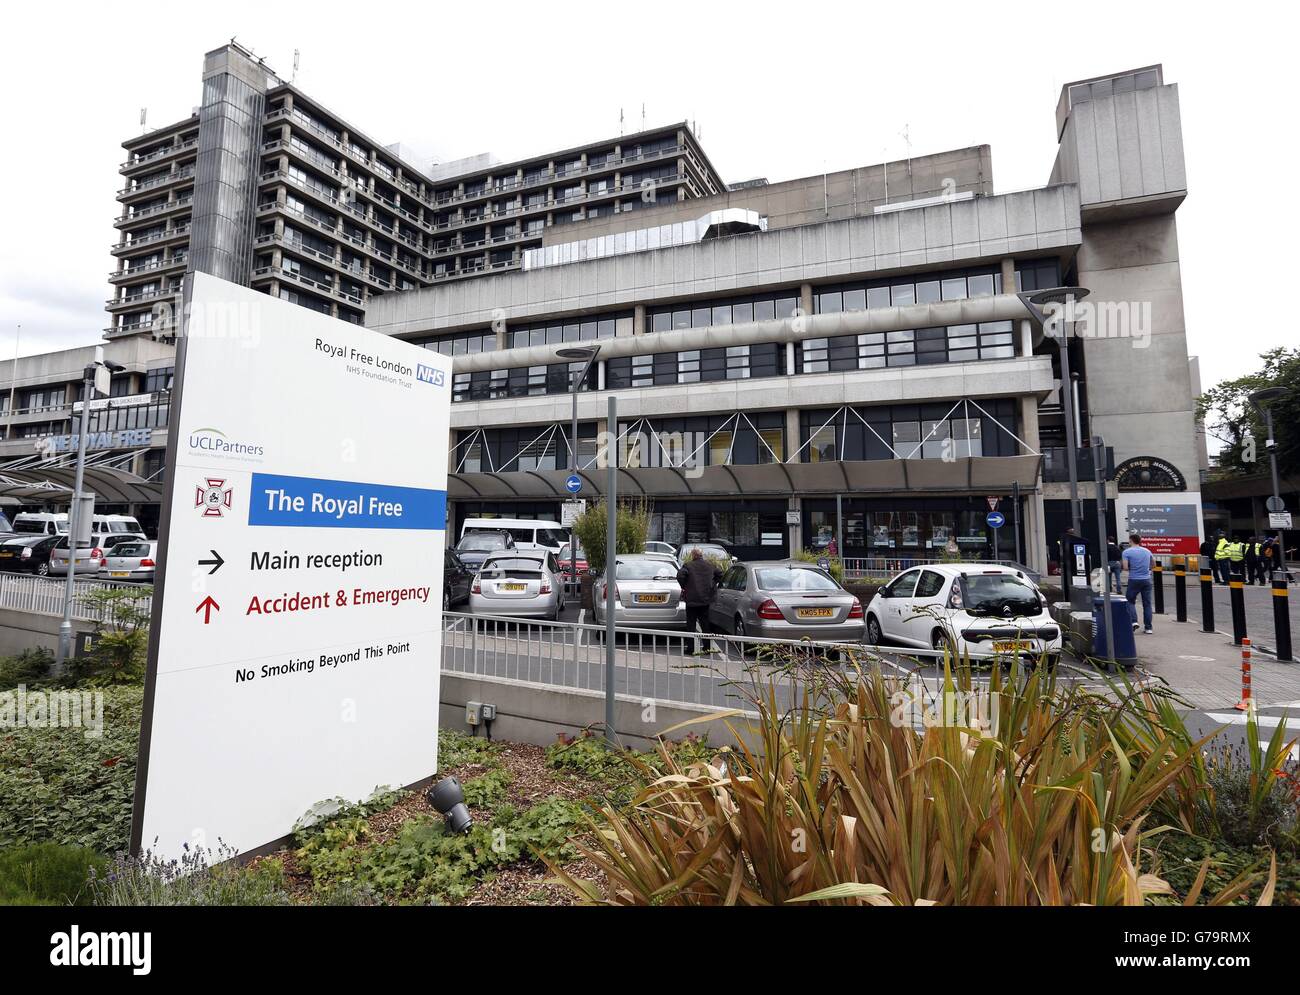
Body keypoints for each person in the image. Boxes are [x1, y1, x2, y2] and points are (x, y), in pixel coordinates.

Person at [677, 548, 723, 654]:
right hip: (705, 600)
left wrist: (685, 586)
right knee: (705, 625)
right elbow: (720, 573)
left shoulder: (688, 566)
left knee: (691, 625)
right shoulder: (710, 565)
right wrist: (713, 584)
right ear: (701, 555)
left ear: (693, 555)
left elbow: (680, 576)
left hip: (692, 600)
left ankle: (691, 648)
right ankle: (707, 648)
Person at [1123, 533, 1155, 634]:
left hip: (1134, 579)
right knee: (1147, 604)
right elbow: (1153, 564)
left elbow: (1125, 567)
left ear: (1131, 540)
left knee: (1130, 601)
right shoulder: (1147, 551)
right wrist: (1147, 569)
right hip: (1147, 579)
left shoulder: (1126, 552)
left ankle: (1134, 621)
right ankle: (1148, 628)